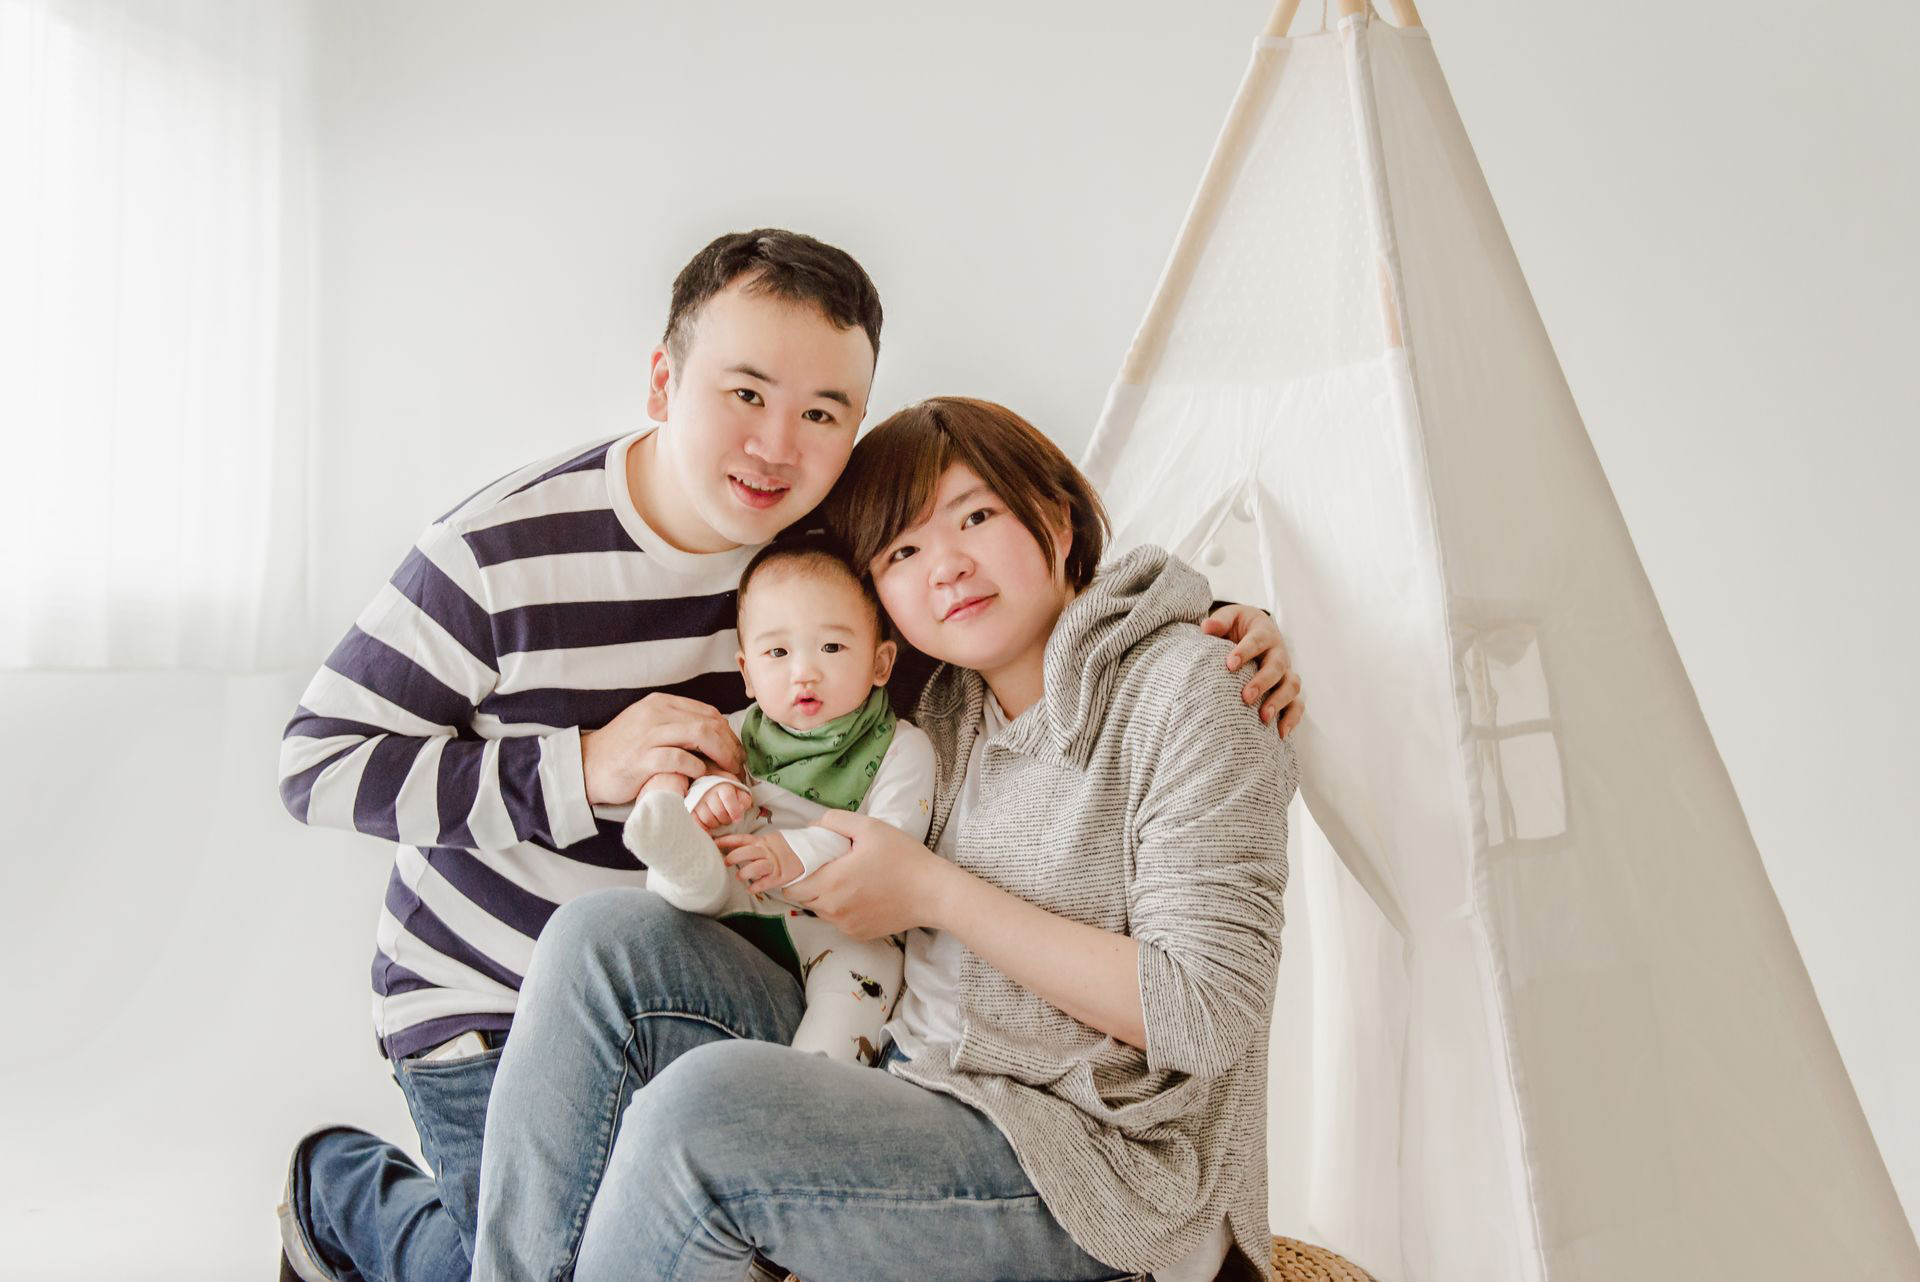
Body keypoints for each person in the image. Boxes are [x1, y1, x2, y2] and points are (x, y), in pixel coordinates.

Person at [273, 231, 1303, 1282]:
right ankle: (350, 1191)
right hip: (487, 997)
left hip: (1032, 1124)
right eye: (745, 393)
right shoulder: (500, 553)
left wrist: (1214, 624)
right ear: (664, 382)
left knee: (687, 1126)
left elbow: (1077, 644)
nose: (776, 446)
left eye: (821, 413)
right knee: (590, 968)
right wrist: (582, 766)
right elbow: (314, 763)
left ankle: (374, 1198)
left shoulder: (830, 559)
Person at [471, 397, 1299, 1282]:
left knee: (703, 1117)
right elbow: (796, 625)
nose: (946, 567)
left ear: (1057, 521)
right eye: (902, 551)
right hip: (905, 1068)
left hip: (1097, 1169)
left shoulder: (1193, 692)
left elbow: (1204, 1012)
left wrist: (935, 892)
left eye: (976, 517)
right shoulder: (940, 699)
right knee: (599, 942)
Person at [628, 532, 934, 1064]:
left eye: (832, 647)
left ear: (880, 663)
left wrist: (795, 853)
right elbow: (706, 785)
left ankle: (809, 1081)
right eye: (778, 652)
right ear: (747, 673)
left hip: (841, 923)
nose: (804, 672)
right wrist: (712, 795)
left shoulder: (902, 747)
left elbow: (893, 846)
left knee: (863, 982)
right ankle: (682, 865)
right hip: (738, 896)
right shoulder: (733, 734)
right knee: (694, 845)